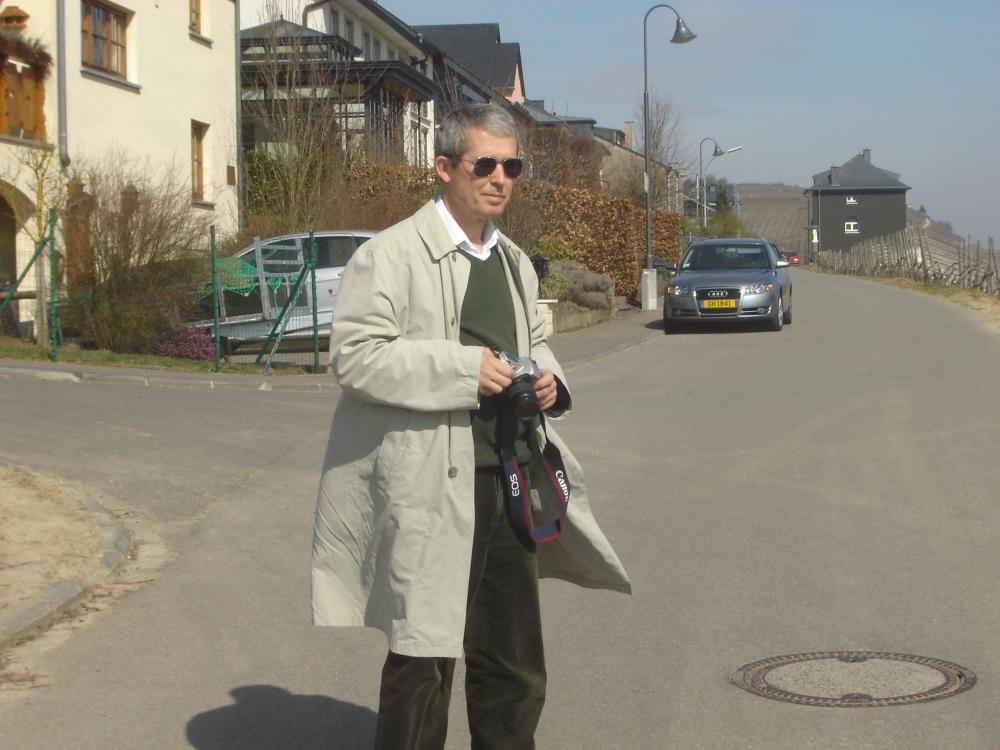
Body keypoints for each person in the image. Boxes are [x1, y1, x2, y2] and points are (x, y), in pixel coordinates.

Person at [311, 103, 631, 750]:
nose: (500, 179)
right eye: (485, 164)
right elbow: (355, 357)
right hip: (429, 487)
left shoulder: (513, 261)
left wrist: (550, 380)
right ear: (444, 168)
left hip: (510, 480)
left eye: (512, 167)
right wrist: (463, 369)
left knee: (513, 661)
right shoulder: (390, 255)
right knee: (423, 660)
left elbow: (533, 341)